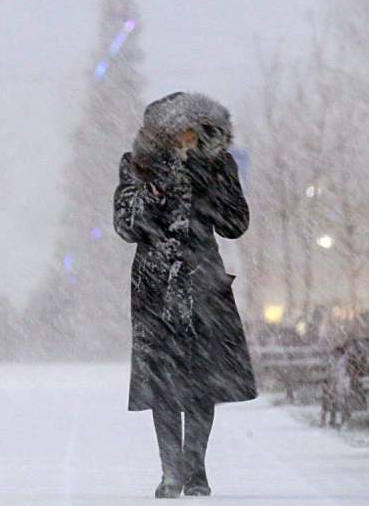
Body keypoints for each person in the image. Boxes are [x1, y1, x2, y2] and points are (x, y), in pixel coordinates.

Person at [113, 92, 257, 499]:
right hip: (155, 284)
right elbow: (125, 226)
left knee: (200, 381)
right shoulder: (137, 165)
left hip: (204, 282)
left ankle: (195, 469)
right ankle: (170, 471)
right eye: (178, 132)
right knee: (162, 381)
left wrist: (207, 181)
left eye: (193, 132)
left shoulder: (218, 164)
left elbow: (235, 224)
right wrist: (154, 193)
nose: (186, 139)